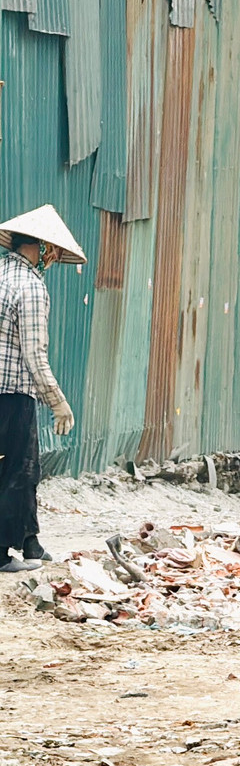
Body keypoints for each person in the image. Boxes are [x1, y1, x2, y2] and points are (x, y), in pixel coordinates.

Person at [0, 206, 83, 574]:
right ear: (41, 247)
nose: (52, 258)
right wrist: (58, 402)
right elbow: (35, 354)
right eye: (51, 251)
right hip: (13, 392)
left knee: (26, 468)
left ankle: (30, 542)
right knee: (18, 471)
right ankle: (2, 554)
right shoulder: (31, 286)